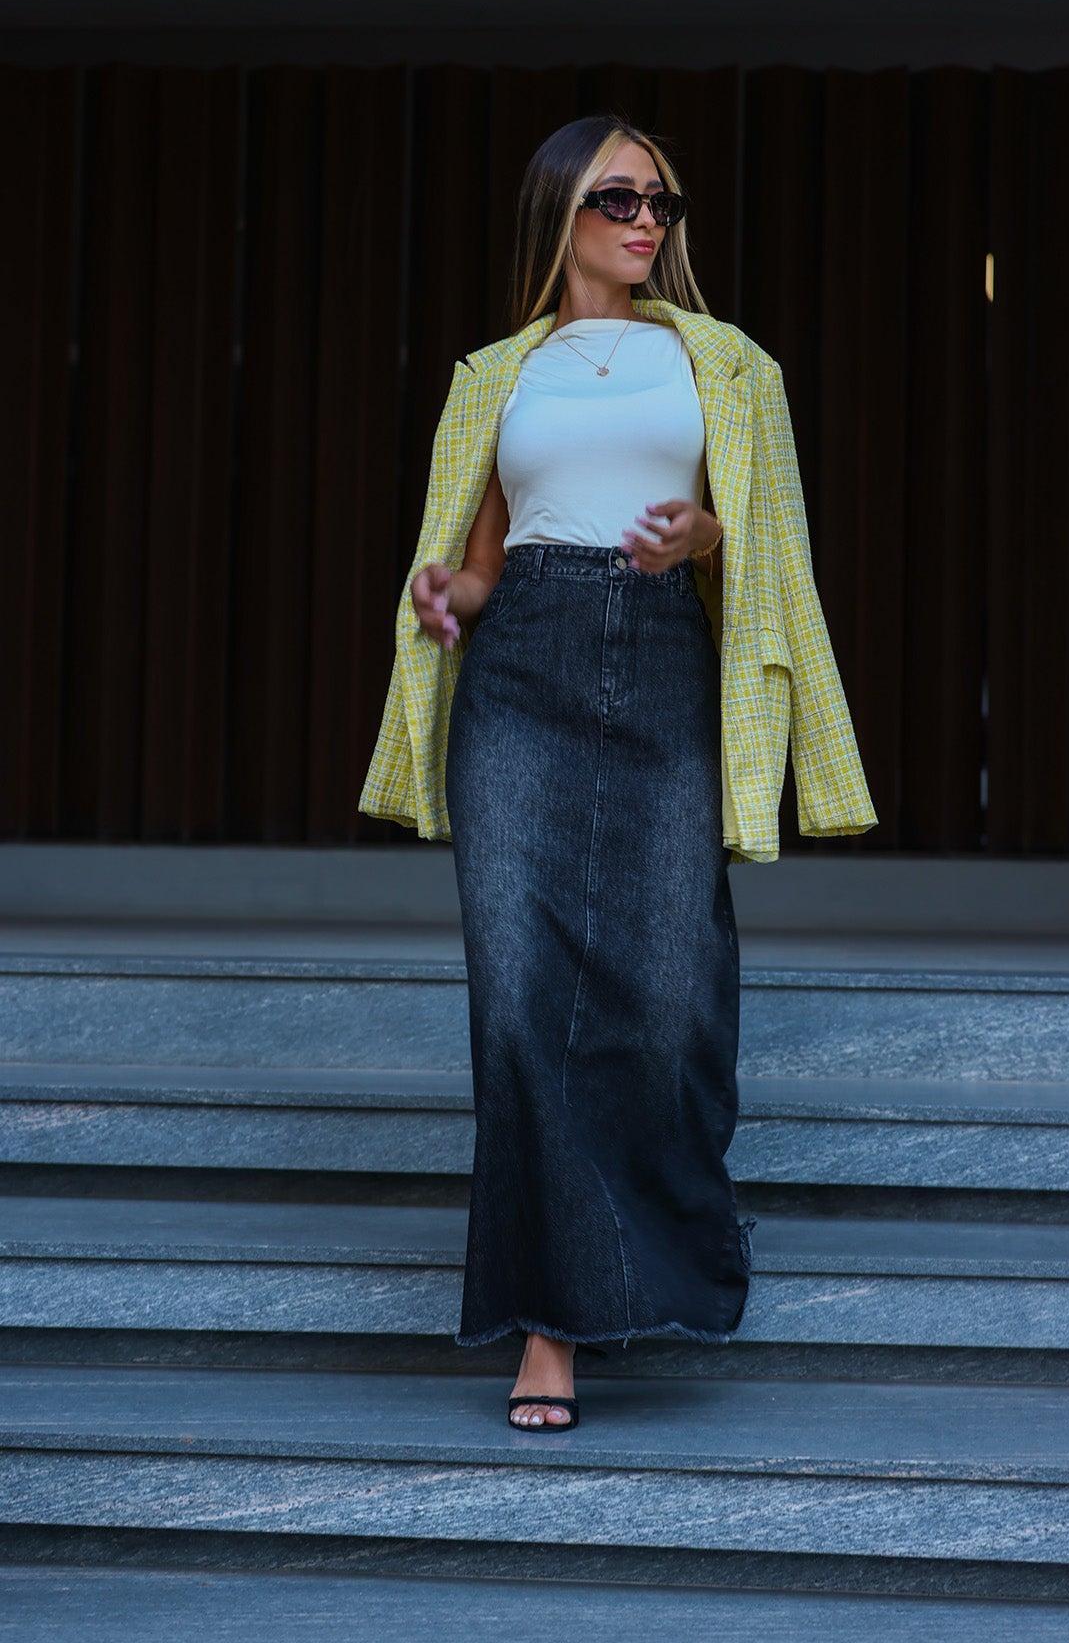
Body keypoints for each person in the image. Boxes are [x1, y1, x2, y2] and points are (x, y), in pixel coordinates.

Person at [360, 114, 876, 1433]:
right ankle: (550, 1328)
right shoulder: (498, 374)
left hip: (659, 665)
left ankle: (676, 1234)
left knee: (667, 997)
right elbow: (488, 550)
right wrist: (451, 595)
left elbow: (760, 544)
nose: (648, 220)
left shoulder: (726, 363)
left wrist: (701, 533)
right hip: (521, 672)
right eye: (620, 199)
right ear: (562, 216)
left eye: (662, 202)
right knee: (520, 1005)